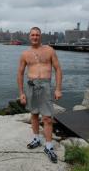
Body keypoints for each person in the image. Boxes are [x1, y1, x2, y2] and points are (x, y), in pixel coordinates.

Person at [17, 26, 62, 163]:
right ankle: (36, 138)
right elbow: (20, 73)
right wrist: (21, 93)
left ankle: (48, 146)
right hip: (31, 85)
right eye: (33, 35)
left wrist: (58, 88)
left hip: (45, 85)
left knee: (47, 118)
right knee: (34, 114)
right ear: (29, 37)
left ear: (40, 36)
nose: (35, 37)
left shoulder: (49, 50)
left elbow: (58, 69)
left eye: (37, 35)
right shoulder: (25, 54)